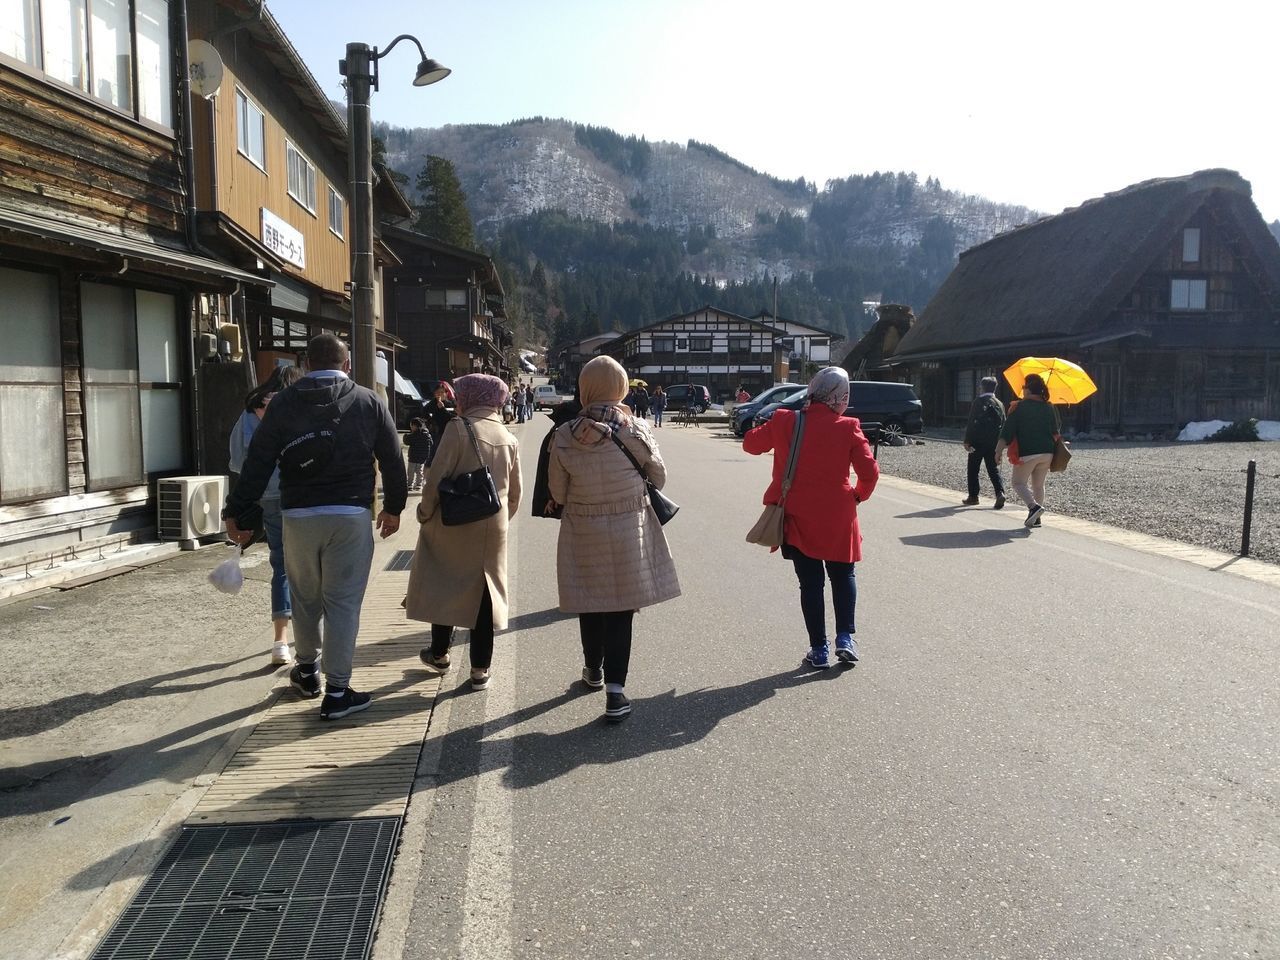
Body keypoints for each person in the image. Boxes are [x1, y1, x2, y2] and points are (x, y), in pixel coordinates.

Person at [223, 334, 408, 721]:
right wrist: (393, 508)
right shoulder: (368, 400)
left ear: (305, 363)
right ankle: (338, 692)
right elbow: (392, 458)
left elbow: (258, 461)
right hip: (350, 514)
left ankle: (307, 672)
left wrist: (236, 512)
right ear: (347, 365)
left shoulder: (283, 403)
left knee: (305, 597)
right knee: (342, 602)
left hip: (298, 515)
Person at [545, 357, 680, 722]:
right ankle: (616, 694)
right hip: (628, 527)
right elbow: (660, 477)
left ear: (585, 387)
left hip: (583, 526)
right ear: (621, 387)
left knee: (589, 600)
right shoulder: (635, 429)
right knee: (621, 607)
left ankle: (593, 670)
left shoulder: (564, 434)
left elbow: (557, 490)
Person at [743, 366, 879, 669]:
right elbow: (869, 472)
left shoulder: (785, 421)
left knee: (811, 584)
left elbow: (751, 444)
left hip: (797, 514)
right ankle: (845, 638)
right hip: (839, 515)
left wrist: (773, 423)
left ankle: (819, 649)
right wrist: (858, 495)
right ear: (841, 397)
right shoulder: (849, 427)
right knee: (844, 576)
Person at [408, 374, 523, 689]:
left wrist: (424, 512)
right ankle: (480, 671)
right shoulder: (507, 436)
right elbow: (515, 494)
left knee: (444, 581)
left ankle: (440, 653)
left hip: (453, 521)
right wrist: (500, 520)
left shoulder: (458, 428)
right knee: (485, 595)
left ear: (468, 397)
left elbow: (435, 478)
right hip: (493, 524)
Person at [228, 364, 303, 666]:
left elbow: (236, 461)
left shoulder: (249, 413)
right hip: (303, 495)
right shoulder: (300, 407)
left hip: (268, 496)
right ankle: (313, 632)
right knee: (311, 564)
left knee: (281, 566)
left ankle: (280, 642)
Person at [995, 372, 1060, 529]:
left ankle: (1033, 507)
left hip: (1028, 452)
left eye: (1024, 387)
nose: (1022, 390)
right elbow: (1056, 428)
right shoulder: (1049, 407)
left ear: (1029, 390)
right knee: (1038, 485)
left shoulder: (1019, 407)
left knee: (1018, 482)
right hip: (1048, 452)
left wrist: (998, 451)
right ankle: (1036, 518)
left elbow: (1007, 431)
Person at [961, 376, 1007, 509]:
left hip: (977, 441)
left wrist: (967, 440)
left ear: (982, 387)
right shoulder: (999, 403)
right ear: (995, 387)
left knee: (973, 468)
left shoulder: (978, 401)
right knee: (993, 468)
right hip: (994, 441)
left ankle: (973, 496)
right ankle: (1000, 493)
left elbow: (972, 422)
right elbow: (1004, 423)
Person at [404, 417, 434, 491]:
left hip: (413, 457)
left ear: (415, 426)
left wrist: (405, 435)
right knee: (419, 472)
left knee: (411, 471)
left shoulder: (414, 435)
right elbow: (431, 443)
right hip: (422, 457)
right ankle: (419, 484)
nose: (411, 427)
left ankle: (410, 484)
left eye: (411, 426)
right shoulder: (427, 434)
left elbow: (406, 441)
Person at [423, 383, 455, 450]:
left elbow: (452, 418)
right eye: (437, 392)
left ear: (446, 394)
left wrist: (442, 408)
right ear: (434, 393)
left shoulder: (450, 404)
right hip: (434, 432)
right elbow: (424, 414)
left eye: (442, 392)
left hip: (446, 432)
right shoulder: (431, 404)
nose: (439, 394)